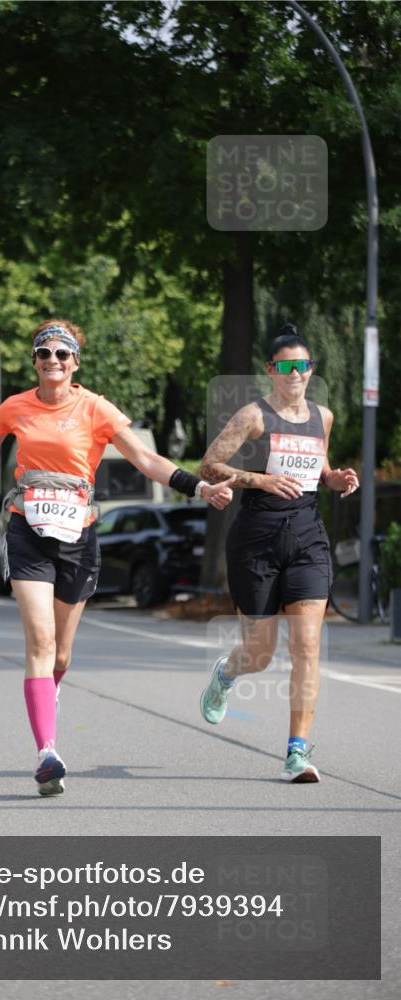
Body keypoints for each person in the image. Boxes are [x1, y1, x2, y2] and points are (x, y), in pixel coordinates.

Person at [0, 319, 234, 796]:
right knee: (39, 641)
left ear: (76, 362)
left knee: (62, 653)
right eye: (44, 353)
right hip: (26, 528)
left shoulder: (95, 408)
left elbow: (146, 461)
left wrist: (198, 486)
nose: (53, 360)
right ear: (34, 361)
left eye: (62, 354)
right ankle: (46, 752)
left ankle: (47, 701)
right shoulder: (15, 407)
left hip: (78, 536)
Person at [199, 324, 359, 783]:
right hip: (257, 539)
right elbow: (210, 464)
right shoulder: (254, 416)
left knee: (308, 645)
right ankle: (227, 674)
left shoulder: (322, 417)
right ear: (270, 370)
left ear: (311, 370)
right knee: (261, 652)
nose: (296, 374)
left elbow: (320, 469)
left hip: (308, 536)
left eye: (303, 366)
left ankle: (296, 752)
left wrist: (336, 479)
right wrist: (259, 480)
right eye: (287, 366)